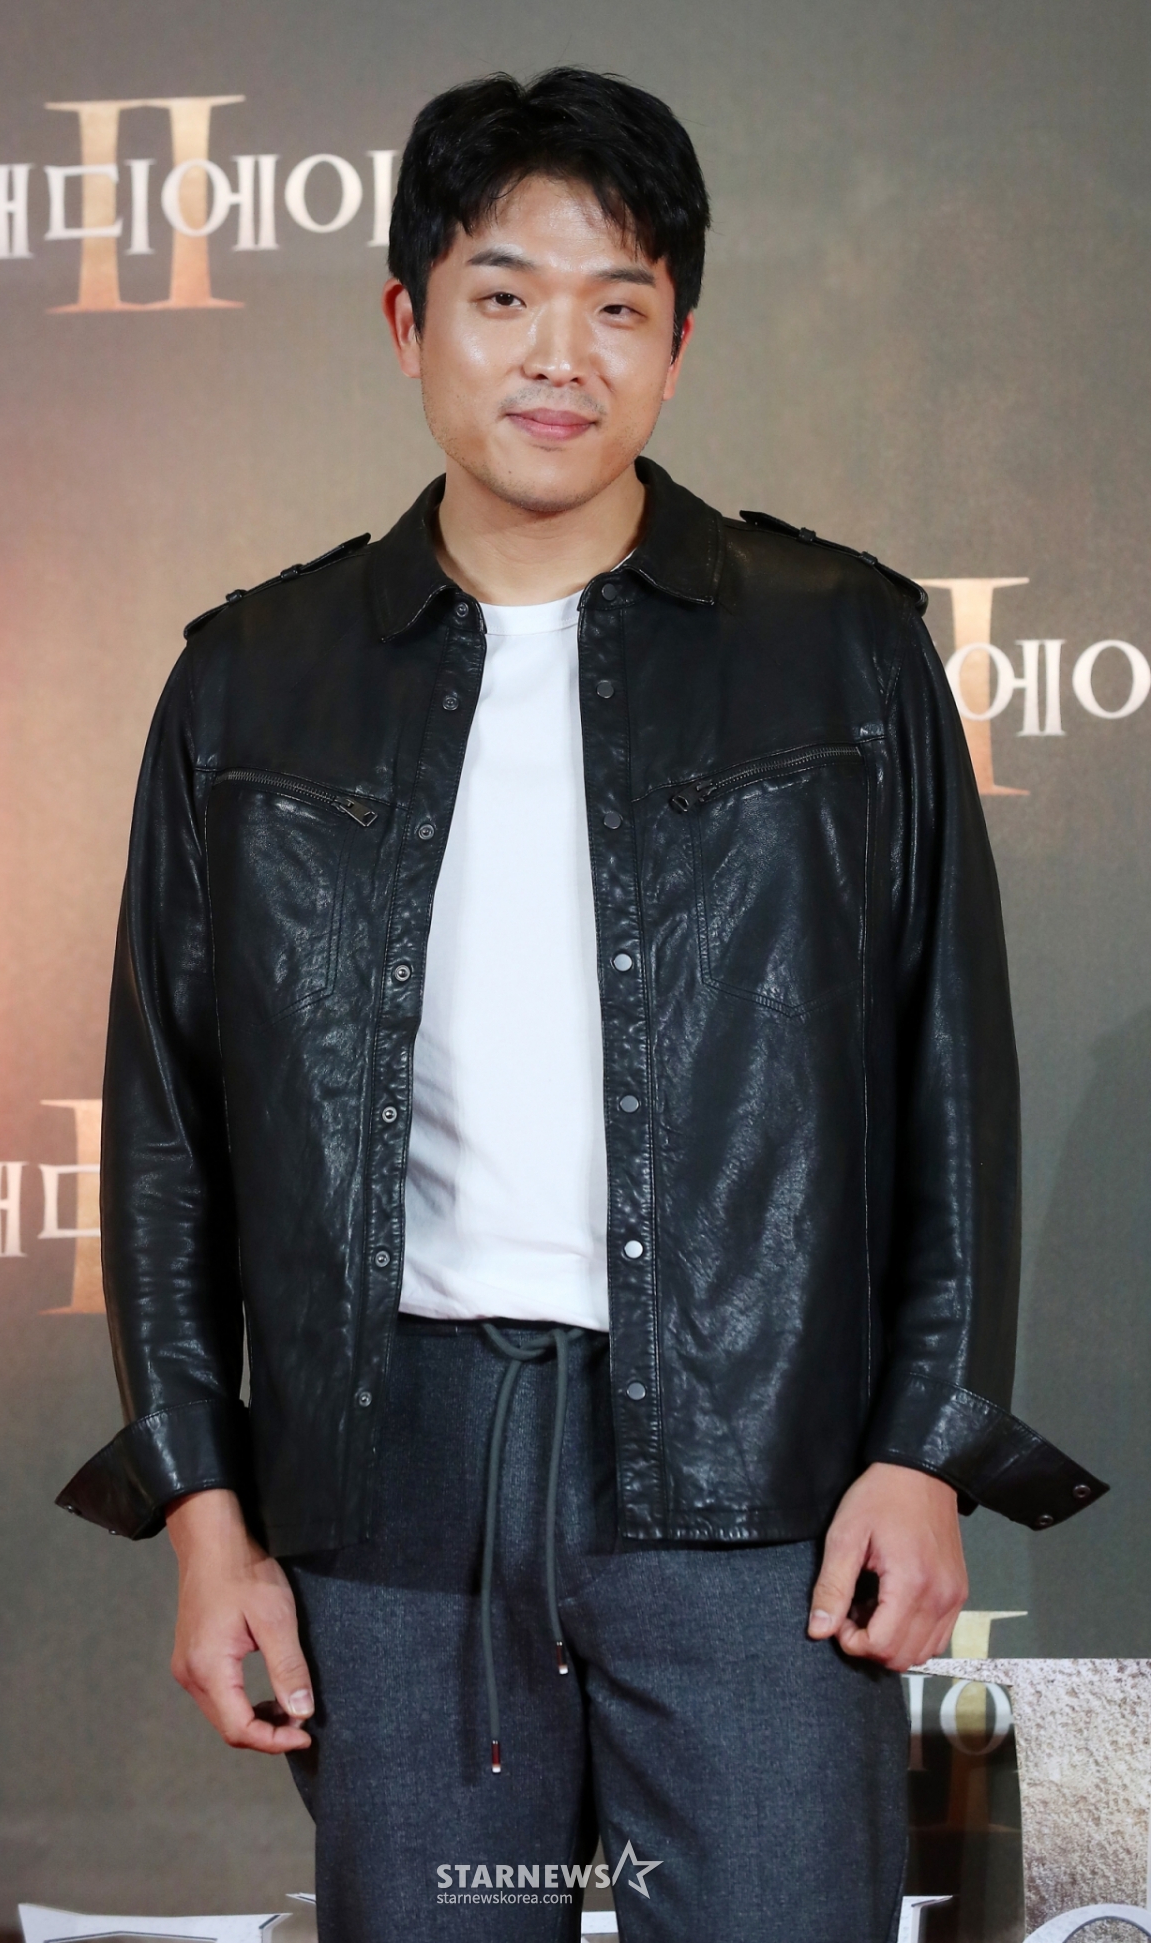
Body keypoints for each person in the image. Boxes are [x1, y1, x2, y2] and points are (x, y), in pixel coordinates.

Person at [59, 66, 1105, 1943]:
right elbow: (164, 1138)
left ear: (678, 346)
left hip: (763, 1482)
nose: (561, 354)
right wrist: (209, 1523)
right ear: (408, 322)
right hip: (393, 1493)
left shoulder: (841, 649)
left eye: (620, 304)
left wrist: (923, 1449)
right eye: (504, 294)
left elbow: (950, 1075)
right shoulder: (250, 684)